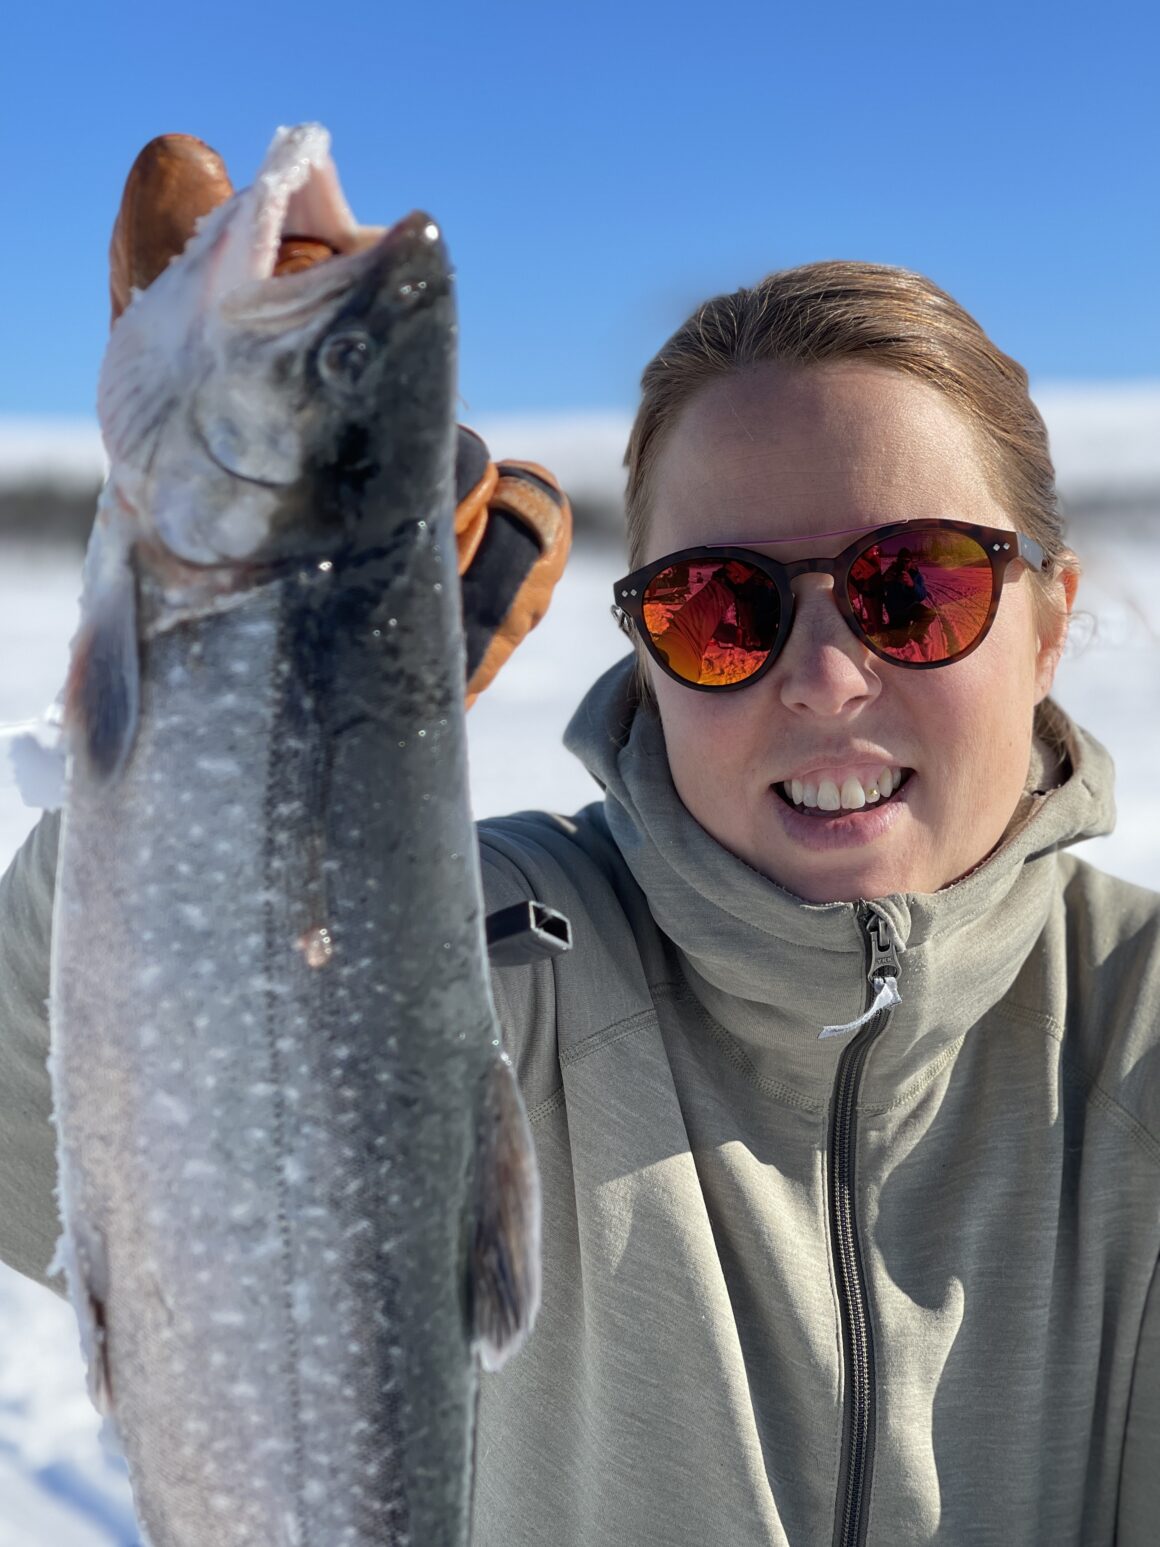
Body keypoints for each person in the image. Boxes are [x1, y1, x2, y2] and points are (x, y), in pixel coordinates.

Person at [1, 147, 1158, 1547]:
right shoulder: (485, 957)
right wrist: (288, 750)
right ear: (647, 648)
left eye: (912, 591)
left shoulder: (1136, 1037)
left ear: (1046, 624)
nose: (824, 678)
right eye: (723, 609)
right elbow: (41, 1134)